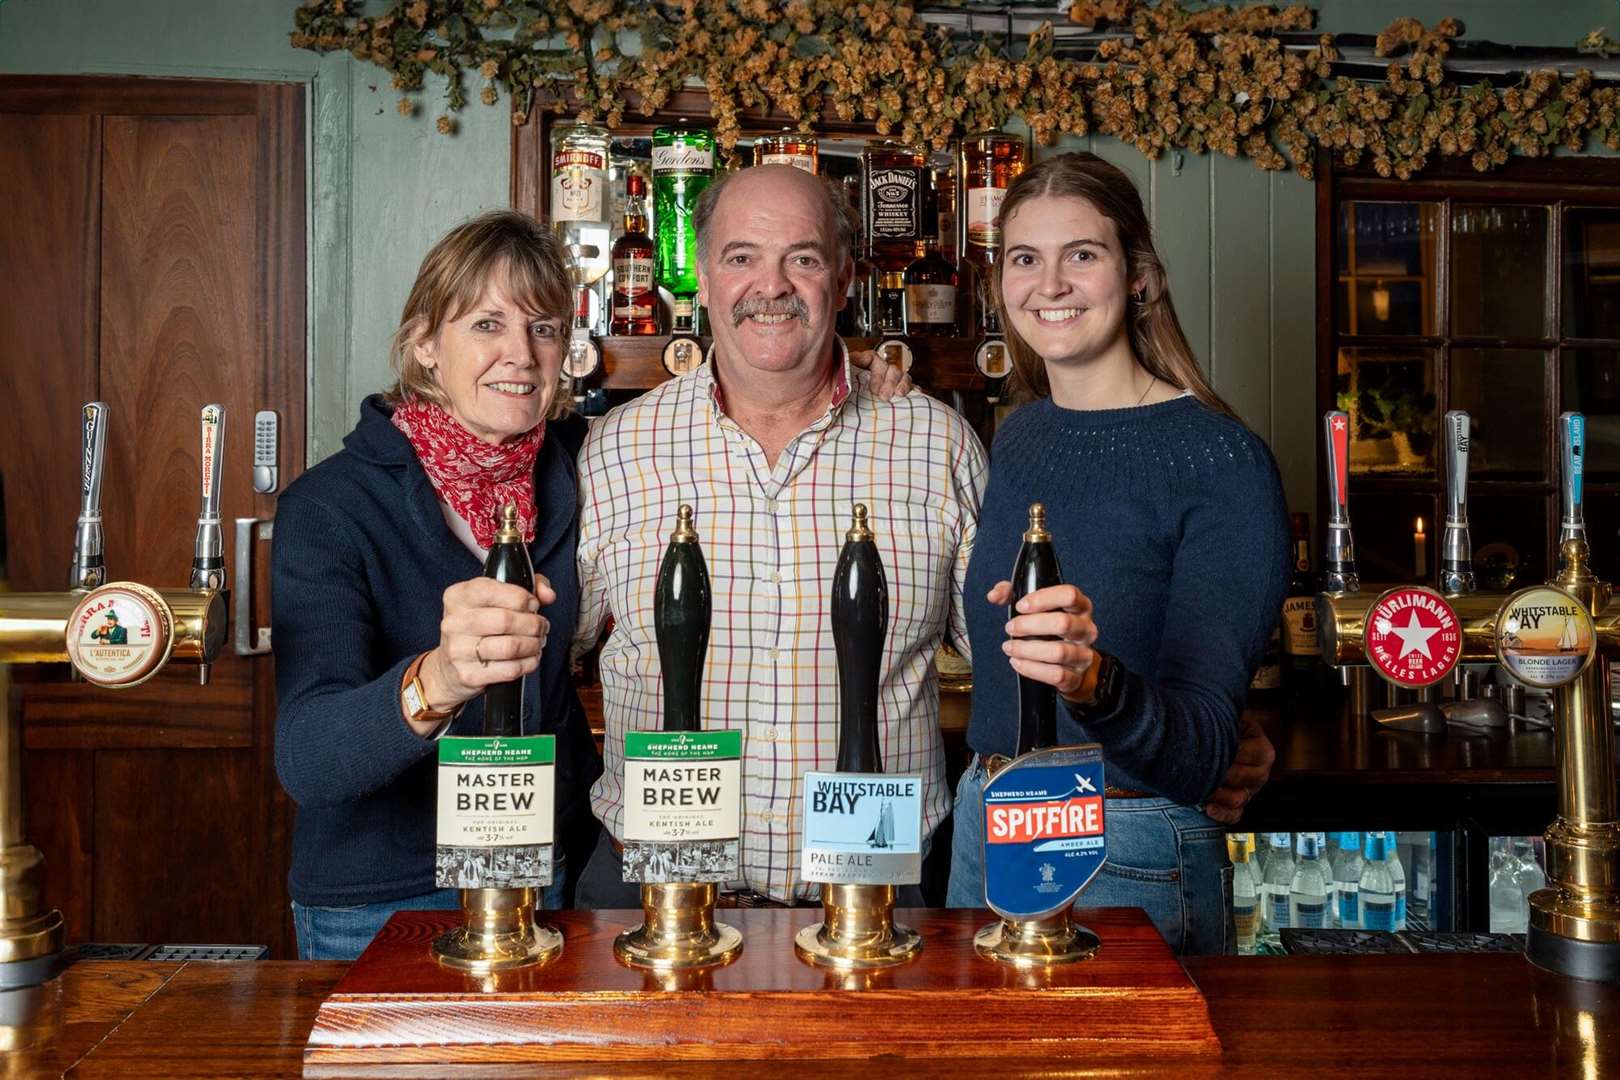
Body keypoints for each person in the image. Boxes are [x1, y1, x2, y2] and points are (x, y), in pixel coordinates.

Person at [571, 165, 986, 906]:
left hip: (883, 898)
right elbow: (538, 664)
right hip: (650, 893)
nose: (773, 285)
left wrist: (1169, 739)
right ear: (700, 276)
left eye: (804, 257)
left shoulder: (937, 445)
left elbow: (1017, 665)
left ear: (846, 277)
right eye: (741, 258)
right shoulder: (616, 448)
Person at [943, 152, 1290, 954]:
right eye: (1025, 258)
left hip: (1120, 839)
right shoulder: (1022, 432)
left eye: (1083, 256)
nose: (1050, 284)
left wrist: (1092, 681)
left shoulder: (1221, 460)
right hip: (986, 818)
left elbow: (1205, 748)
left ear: (1138, 277)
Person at [272, 211, 600, 959]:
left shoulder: (581, 463)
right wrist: (443, 677)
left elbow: (702, 417)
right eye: (487, 324)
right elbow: (307, 758)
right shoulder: (330, 506)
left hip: (539, 878)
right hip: (384, 896)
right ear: (424, 343)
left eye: (544, 328)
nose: (520, 354)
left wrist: (879, 379)